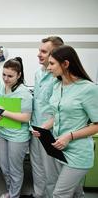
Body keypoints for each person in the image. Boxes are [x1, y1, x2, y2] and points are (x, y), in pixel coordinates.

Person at [42, 45, 98, 198]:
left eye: (52, 64)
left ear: (66, 64)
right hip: (59, 149)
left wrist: (69, 136)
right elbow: (59, 115)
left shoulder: (88, 89)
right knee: (76, 193)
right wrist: (43, 128)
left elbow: (97, 125)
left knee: (60, 194)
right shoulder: (57, 85)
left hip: (78, 153)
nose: (48, 68)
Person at [27, 36, 64, 198]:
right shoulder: (38, 73)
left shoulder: (60, 77)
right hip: (35, 128)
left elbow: (62, 109)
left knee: (51, 170)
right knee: (37, 166)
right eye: (39, 51)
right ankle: (38, 194)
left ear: (55, 54)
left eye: (43, 51)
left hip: (51, 131)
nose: (39, 54)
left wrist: (44, 127)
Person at [0, 57, 33, 198]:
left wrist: (3, 112)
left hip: (18, 136)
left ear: (19, 75)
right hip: (3, 132)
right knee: (4, 167)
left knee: (15, 170)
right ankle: (11, 192)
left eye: (10, 76)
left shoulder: (24, 93)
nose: (6, 78)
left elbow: (26, 117)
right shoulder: (1, 88)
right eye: (4, 75)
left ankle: (14, 195)